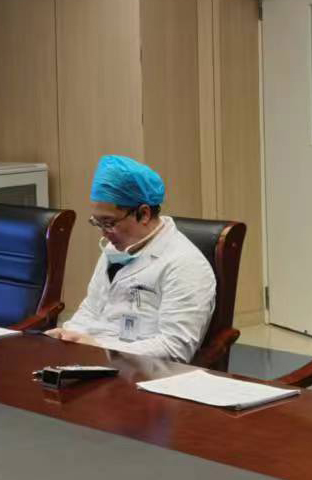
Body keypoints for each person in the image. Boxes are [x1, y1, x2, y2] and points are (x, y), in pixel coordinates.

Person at [46, 154, 215, 362]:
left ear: (144, 214)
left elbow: (175, 348)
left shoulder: (185, 264)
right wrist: (66, 335)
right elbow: (91, 309)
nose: (103, 232)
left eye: (109, 222)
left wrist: (100, 348)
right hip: (95, 360)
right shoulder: (116, 249)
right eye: (97, 223)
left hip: (141, 370)